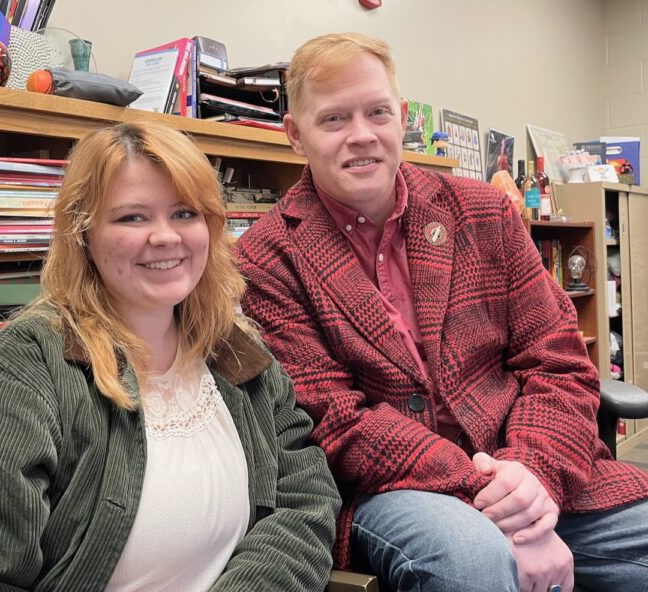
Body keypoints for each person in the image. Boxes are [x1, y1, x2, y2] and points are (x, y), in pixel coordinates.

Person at [237, 32, 648, 592]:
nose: (362, 135)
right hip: (394, 492)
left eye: (377, 111)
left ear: (401, 117)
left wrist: (532, 474)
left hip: (531, 468)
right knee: (472, 560)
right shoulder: (265, 259)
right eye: (333, 120)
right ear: (295, 135)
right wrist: (492, 493)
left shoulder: (485, 213)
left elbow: (558, 362)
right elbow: (333, 423)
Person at [0, 121, 341, 591]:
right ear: (84, 235)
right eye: (132, 218)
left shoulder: (236, 351)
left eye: (185, 213)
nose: (165, 237)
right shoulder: (14, 376)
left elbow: (304, 500)